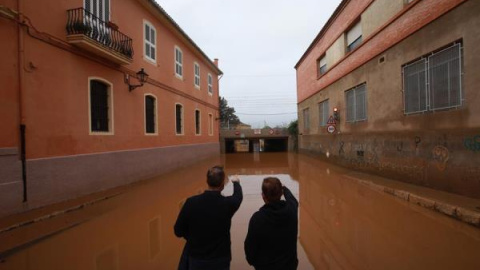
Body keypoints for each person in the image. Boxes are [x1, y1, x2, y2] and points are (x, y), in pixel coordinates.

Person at [174, 166, 243, 270]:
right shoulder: (228, 204)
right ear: (222, 185)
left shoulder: (191, 203)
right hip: (221, 259)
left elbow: (178, 231)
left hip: (196, 258)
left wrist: (193, 237)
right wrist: (236, 182)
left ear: (207, 181)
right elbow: (238, 197)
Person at [244, 177, 299, 270]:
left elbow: (250, 249)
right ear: (281, 193)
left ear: (263, 196)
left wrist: (255, 263)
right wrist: (284, 189)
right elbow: (293, 200)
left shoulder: (257, 219)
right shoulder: (292, 210)